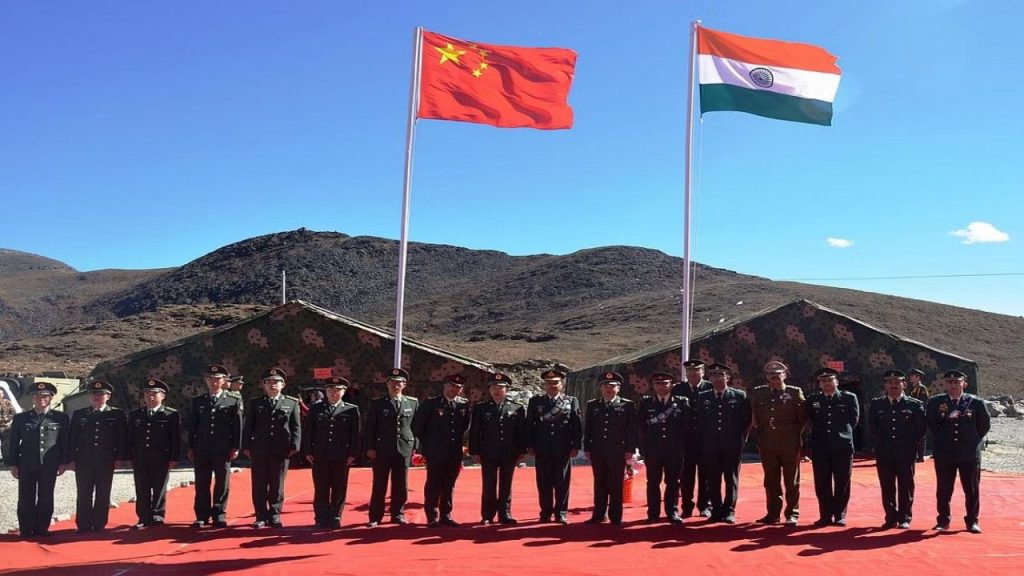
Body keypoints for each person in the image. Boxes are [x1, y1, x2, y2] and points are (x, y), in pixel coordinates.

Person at [927, 369, 990, 533]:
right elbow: (932, 425)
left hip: (968, 453)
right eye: (949, 382)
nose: (953, 385)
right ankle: (943, 520)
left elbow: (984, 426)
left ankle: (972, 521)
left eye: (957, 382)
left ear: (964, 384)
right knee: (944, 488)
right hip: (945, 453)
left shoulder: (975, 403)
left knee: (971, 489)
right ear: (945, 384)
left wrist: (971, 440)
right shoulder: (935, 402)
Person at [4, 382, 69, 538]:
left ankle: (42, 528)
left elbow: (65, 441)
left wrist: (64, 462)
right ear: (32, 399)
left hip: (50, 464)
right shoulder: (21, 418)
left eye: (45, 396)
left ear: (51, 398)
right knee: (26, 497)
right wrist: (13, 464)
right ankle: (26, 530)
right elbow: (13, 443)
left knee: (46, 496)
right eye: (37, 396)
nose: (41, 399)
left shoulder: (60, 417)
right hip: (26, 464)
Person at [750, 360, 808, 526]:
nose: (774, 377)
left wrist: (793, 434)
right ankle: (773, 513)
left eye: (778, 374)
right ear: (766, 377)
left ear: (785, 375)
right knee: (770, 480)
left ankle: (792, 514)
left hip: (789, 442)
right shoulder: (759, 393)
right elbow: (755, 414)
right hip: (767, 442)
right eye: (771, 375)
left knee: (792, 480)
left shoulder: (794, 392)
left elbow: (802, 418)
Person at [243, 367, 301, 528]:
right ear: (263, 385)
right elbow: (249, 426)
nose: (272, 385)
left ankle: (275, 514)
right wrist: (246, 446)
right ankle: (260, 515)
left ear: (283, 385)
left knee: (277, 484)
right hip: (259, 449)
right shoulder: (256, 403)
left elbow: (296, 426)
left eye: (276, 382)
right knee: (259, 483)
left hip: (281, 450)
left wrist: (295, 446)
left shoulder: (291, 402)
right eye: (269, 382)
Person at [68, 380, 129, 533]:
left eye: (101, 394)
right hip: (84, 461)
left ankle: (99, 524)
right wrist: (70, 460)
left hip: (106, 460)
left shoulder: (116, 414)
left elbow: (122, 438)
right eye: (94, 394)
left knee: (103, 493)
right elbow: (72, 439)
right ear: (89, 397)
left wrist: (120, 458)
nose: (97, 397)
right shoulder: (79, 414)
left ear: (108, 397)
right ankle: (83, 525)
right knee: (84, 493)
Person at [412, 374, 472, 527]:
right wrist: (428, 445)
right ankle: (432, 515)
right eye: (452, 386)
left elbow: (464, 427)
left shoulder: (463, 405)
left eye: (458, 387)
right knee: (434, 483)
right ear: (445, 386)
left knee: (449, 483)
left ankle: (446, 514)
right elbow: (418, 426)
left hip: (454, 452)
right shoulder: (431, 403)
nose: (454, 389)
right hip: (435, 451)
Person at [869, 369, 926, 529]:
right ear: (885, 385)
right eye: (890, 382)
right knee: (887, 485)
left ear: (904, 384)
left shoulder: (914, 405)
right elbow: (873, 427)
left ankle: (905, 517)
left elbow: (920, 429)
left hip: (906, 452)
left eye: (897, 382)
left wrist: (909, 445)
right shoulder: (877, 404)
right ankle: (890, 517)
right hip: (884, 451)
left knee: (906, 485)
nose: (893, 385)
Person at [187, 364, 243, 528]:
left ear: (224, 381)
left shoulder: (233, 400)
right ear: (206, 380)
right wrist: (191, 446)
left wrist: (236, 446)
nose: (214, 381)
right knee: (202, 482)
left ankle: (219, 514)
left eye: (217, 379)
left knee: (222, 482)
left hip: (222, 448)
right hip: (202, 448)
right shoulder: (199, 401)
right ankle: (202, 515)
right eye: (210, 379)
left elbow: (237, 425)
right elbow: (193, 425)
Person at [468, 372, 527, 525]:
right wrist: (474, 451)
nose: (497, 390)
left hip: (509, 452)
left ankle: (505, 513)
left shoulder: (517, 408)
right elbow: (475, 432)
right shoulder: (481, 408)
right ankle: (487, 514)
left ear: (506, 390)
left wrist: (522, 450)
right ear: (489, 389)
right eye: (494, 387)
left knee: (506, 484)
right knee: (489, 484)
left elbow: (521, 431)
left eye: (501, 387)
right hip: (488, 452)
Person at [696, 363, 751, 524]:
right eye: (714, 375)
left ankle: (729, 510)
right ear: (709, 378)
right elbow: (700, 420)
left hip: (732, 445)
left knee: (731, 478)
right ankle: (716, 509)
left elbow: (746, 420)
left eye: (721, 375)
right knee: (712, 479)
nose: (717, 378)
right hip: (711, 446)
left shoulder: (739, 395)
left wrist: (741, 440)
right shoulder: (703, 396)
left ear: (728, 377)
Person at [365, 368, 419, 527]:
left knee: (401, 484)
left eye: (399, 382)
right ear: (387, 384)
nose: (396, 385)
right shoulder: (377, 403)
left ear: (404, 385)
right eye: (393, 382)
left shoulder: (412, 402)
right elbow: (370, 427)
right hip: (382, 448)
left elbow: (416, 426)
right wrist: (370, 447)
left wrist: (415, 446)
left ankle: (398, 514)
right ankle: (375, 516)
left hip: (404, 448)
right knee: (379, 484)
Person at [526, 369, 582, 524]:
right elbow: (529, 425)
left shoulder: (571, 401)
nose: (552, 385)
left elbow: (576, 425)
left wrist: (575, 445)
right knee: (543, 482)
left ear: (561, 385)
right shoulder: (536, 402)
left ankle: (561, 512)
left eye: (556, 382)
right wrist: (530, 445)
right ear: (544, 385)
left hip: (563, 448)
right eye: (549, 383)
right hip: (542, 447)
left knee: (562, 482)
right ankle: (545, 512)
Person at [303, 376, 360, 529]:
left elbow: (355, 435)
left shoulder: (351, 409)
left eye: (338, 390)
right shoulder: (316, 408)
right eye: (330, 390)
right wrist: (308, 450)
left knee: (339, 487)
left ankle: (335, 515)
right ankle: (321, 517)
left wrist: (352, 454)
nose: (334, 393)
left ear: (343, 391)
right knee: (321, 487)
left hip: (341, 455)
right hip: (320, 454)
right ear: (325, 391)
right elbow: (309, 431)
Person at [805, 367, 859, 527]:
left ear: (836, 381)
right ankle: (825, 515)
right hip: (821, 446)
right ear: (819, 384)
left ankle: (840, 514)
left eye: (830, 380)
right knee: (822, 482)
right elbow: (810, 419)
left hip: (842, 446)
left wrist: (841, 435)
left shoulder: (849, 398)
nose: (827, 383)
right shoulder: (813, 399)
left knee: (842, 481)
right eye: (823, 381)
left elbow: (854, 420)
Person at [583, 371, 636, 525]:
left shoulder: (627, 405)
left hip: (617, 450)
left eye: (612, 386)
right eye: (606, 386)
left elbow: (631, 430)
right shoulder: (593, 405)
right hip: (598, 450)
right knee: (599, 482)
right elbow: (589, 429)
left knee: (615, 483)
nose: (609, 389)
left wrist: (630, 449)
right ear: (601, 388)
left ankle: (615, 516)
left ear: (618, 388)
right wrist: (587, 448)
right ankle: (599, 514)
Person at [127, 378, 181, 530]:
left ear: (162, 396)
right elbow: (129, 437)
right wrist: (128, 456)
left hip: (161, 457)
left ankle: (158, 515)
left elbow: (175, 438)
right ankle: (143, 517)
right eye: (147, 393)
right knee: (142, 487)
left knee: (159, 487)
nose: (150, 396)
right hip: (140, 457)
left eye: (154, 394)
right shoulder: (135, 415)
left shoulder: (171, 414)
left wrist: (174, 457)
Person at [637, 372, 689, 524]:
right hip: (653, 450)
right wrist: (643, 448)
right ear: (653, 386)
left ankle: (672, 511)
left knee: (673, 481)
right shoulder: (647, 403)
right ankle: (653, 513)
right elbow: (641, 427)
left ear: (671, 385)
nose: (661, 386)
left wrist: (683, 446)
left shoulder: (681, 402)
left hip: (674, 449)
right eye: (658, 384)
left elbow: (686, 426)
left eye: (665, 383)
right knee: (653, 481)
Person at [672, 359, 712, 517]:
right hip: (686, 440)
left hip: (706, 439)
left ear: (703, 372)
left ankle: (705, 506)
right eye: (690, 371)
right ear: (686, 373)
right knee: (686, 475)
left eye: (697, 371)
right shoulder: (678, 389)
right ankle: (687, 506)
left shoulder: (710, 387)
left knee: (706, 475)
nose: (693, 374)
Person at [906, 368, 930, 462]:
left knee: (921, 434)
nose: (910, 377)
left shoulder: (922, 388)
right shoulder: (912, 388)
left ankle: (920, 456)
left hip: (920, 413)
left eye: (912, 376)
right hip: (911, 413)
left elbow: (924, 402)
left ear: (918, 377)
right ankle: (914, 454)